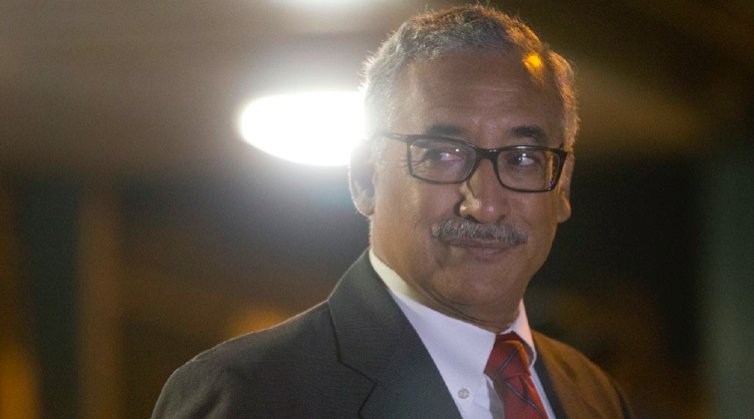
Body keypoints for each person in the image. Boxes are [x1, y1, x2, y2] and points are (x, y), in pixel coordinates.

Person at [152, 5, 634, 418]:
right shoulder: (252, 394)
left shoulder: (595, 397)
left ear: (562, 187)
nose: (485, 205)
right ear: (366, 177)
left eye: (522, 159)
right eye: (442, 154)